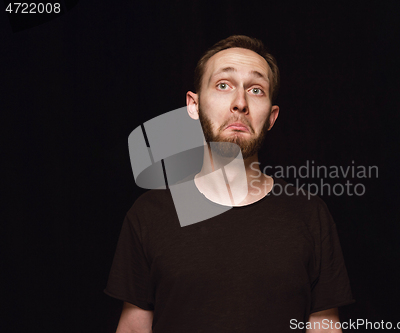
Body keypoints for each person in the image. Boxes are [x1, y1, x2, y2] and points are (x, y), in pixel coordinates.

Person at [104, 35, 355, 332]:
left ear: (271, 117)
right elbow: (134, 329)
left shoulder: (310, 214)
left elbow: (325, 328)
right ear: (193, 105)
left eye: (256, 90)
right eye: (223, 85)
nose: (240, 103)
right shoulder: (148, 214)